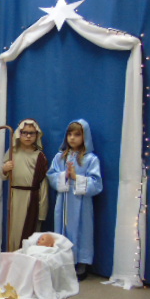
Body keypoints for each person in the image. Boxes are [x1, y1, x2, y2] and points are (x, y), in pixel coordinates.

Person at [47, 119, 103, 280]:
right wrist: (64, 176)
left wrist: (76, 177)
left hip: (81, 203)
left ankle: (81, 263)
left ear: (85, 137)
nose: (72, 138)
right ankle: (62, 262)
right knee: (62, 229)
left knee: (82, 230)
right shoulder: (60, 157)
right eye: (70, 134)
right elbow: (51, 175)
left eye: (77, 135)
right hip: (63, 201)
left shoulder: (91, 159)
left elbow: (96, 184)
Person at [1, 119, 49, 252]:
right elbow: (2, 175)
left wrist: (42, 211)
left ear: (37, 135)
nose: (28, 136)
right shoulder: (12, 152)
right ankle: (12, 255)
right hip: (15, 197)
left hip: (31, 198)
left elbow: (43, 185)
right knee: (14, 229)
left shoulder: (39, 156)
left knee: (30, 231)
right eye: (24, 132)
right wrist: (5, 169)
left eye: (31, 133)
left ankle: (25, 258)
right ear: (19, 134)